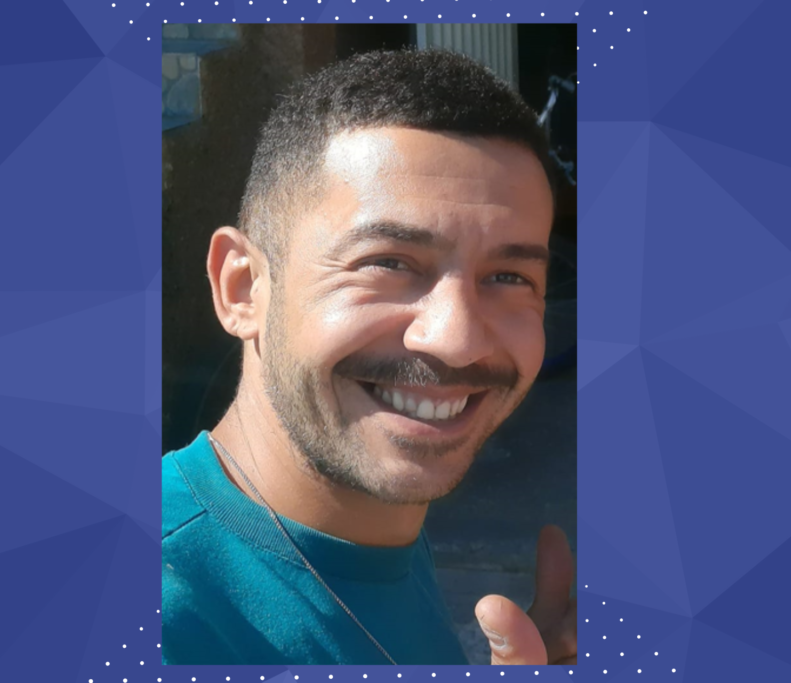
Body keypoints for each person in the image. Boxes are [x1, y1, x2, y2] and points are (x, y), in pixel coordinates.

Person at [161, 47, 576, 666]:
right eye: (387, 262)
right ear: (242, 288)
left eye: (510, 276)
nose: (458, 338)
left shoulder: (376, 529)